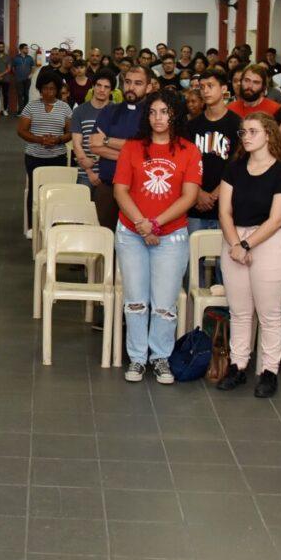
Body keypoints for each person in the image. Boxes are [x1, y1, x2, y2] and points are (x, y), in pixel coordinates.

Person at [114, 91, 201, 384]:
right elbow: (120, 190)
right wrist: (141, 224)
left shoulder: (189, 150)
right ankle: (138, 358)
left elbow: (189, 196)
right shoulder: (133, 147)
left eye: (164, 112)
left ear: (175, 114)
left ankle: (160, 356)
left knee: (164, 304)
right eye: (152, 112)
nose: (158, 118)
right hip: (131, 232)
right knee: (136, 300)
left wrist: (156, 224)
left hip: (171, 235)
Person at [216, 113, 281, 397]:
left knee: (269, 313)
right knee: (239, 312)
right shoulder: (235, 169)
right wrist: (235, 244)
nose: (246, 136)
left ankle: (269, 371)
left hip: (270, 243)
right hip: (234, 240)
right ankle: (238, 366)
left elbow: (276, 219)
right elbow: (224, 211)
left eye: (253, 131)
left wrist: (247, 245)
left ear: (269, 134)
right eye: (243, 132)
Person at [89, 67, 151, 228]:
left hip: (141, 191)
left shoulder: (153, 115)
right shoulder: (109, 111)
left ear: (149, 87)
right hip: (108, 186)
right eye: (128, 82)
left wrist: (107, 140)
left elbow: (149, 150)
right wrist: (133, 155)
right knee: (104, 238)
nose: (131, 87)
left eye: (138, 83)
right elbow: (95, 145)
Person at [187, 68, 241, 245]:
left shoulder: (237, 123)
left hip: (225, 204)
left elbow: (239, 164)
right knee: (193, 262)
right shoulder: (192, 125)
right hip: (194, 203)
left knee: (223, 265)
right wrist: (198, 193)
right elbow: (185, 164)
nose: (205, 90)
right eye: (202, 87)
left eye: (210, 86)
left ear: (224, 88)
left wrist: (216, 194)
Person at [18, 71, 72, 236]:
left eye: (52, 89)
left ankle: (54, 224)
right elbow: (21, 130)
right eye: (45, 89)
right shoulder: (31, 106)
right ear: (40, 90)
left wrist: (58, 140)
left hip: (58, 156)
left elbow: (70, 132)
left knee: (56, 191)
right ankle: (32, 227)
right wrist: (39, 140)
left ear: (57, 90)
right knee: (35, 190)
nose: (48, 92)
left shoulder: (64, 107)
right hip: (34, 156)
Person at [71, 71, 114, 191]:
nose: (102, 90)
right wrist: (89, 172)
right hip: (85, 172)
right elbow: (76, 144)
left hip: (111, 172)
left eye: (106, 87)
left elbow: (118, 145)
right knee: (82, 207)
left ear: (111, 90)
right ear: (93, 87)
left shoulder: (117, 112)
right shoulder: (79, 111)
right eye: (99, 85)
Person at [12, 43, 37, 111]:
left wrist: (31, 74)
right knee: (20, 95)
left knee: (26, 94)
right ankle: (20, 110)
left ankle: (26, 110)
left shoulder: (30, 58)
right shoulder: (16, 58)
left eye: (27, 48)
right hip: (19, 79)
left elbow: (33, 67)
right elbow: (13, 68)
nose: (27, 49)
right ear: (21, 49)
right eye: (26, 48)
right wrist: (17, 74)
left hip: (27, 79)